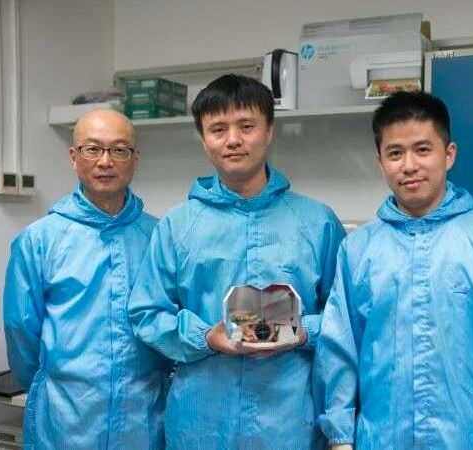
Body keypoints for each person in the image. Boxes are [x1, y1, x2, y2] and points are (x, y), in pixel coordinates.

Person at [315, 91, 473, 450]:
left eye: (422, 149)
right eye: (395, 153)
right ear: (380, 162)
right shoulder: (358, 250)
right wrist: (340, 438)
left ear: (449, 154)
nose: (409, 165)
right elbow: (339, 350)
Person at [128, 74, 346, 450]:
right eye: (218, 129)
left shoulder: (317, 222)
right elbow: (147, 313)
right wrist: (205, 337)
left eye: (246, 126)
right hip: (201, 422)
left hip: (290, 423)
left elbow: (346, 314)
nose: (233, 140)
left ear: (269, 131)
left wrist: (302, 331)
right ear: (203, 139)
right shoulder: (177, 226)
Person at [3, 109, 167, 449]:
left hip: (142, 416)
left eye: (119, 150)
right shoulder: (39, 240)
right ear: (73, 156)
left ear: (135, 159)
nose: (105, 161)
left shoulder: (158, 237)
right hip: (65, 419)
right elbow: (21, 331)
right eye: (92, 149)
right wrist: (57, 384)